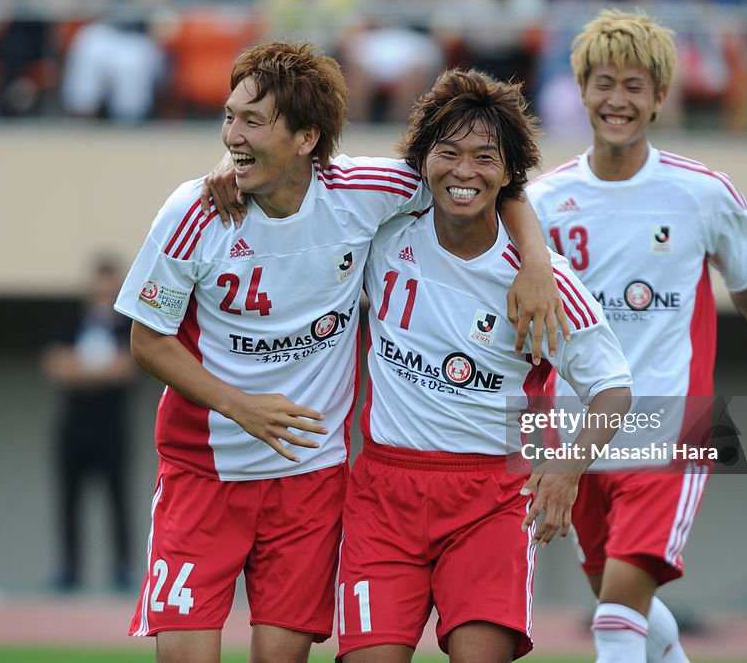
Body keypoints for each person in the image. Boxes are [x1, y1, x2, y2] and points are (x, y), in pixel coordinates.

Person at [115, 42, 565, 663]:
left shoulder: (367, 189)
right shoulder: (195, 209)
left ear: (306, 139)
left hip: (309, 478)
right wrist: (241, 407)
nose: (231, 135)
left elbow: (480, 179)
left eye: (252, 121)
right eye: (229, 118)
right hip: (203, 472)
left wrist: (536, 261)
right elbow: (147, 339)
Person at [524, 10, 747, 663]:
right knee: (616, 601)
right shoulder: (542, 202)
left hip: (669, 424)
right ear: (581, 89)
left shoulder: (701, 193)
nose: (617, 99)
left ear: (660, 96)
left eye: (634, 85)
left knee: (614, 619)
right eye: (603, 82)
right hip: (577, 432)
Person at [336, 68, 632, 663]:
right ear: (423, 161)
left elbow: (613, 387)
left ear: (508, 171)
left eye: (483, 157)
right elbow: (305, 181)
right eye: (448, 153)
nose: (464, 171)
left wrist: (568, 468)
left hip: (491, 498)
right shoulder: (386, 230)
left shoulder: (544, 284)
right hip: (382, 492)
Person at [41, 255, 136, 592]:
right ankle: (68, 568)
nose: (102, 288)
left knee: (118, 498)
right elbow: (55, 366)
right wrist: (100, 371)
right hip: (73, 426)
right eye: (98, 279)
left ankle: (122, 569)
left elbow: (125, 369)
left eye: (109, 280)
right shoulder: (71, 322)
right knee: (68, 499)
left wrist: (80, 370)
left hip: (112, 427)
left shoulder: (129, 323)